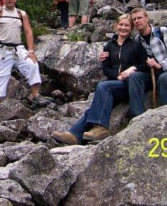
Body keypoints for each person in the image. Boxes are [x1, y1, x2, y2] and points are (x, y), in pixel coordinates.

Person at [51, 14, 149, 144]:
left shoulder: (136, 46)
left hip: (129, 85)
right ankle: (74, 135)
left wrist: (131, 70)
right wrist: (117, 76)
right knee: (95, 107)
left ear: (131, 29)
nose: (123, 28)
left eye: (127, 25)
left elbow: (144, 65)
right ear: (116, 26)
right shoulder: (109, 46)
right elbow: (106, 68)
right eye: (121, 25)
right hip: (116, 84)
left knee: (103, 86)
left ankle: (100, 128)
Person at [0, 0, 50, 107]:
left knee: (32, 65)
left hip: (18, 49)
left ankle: (36, 96)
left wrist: (31, 51)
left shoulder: (22, 14)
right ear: (3, 0)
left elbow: (28, 32)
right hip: (1, 48)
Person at [127, 7, 167, 111]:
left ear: (147, 18)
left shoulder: (162, 32)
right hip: (151, 75)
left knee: (164, 78)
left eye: (139, 18)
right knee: (134, 77)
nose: (137, 21)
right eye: (134, 19)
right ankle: (137, 115)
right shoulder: (137, 41)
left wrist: (160, 64)